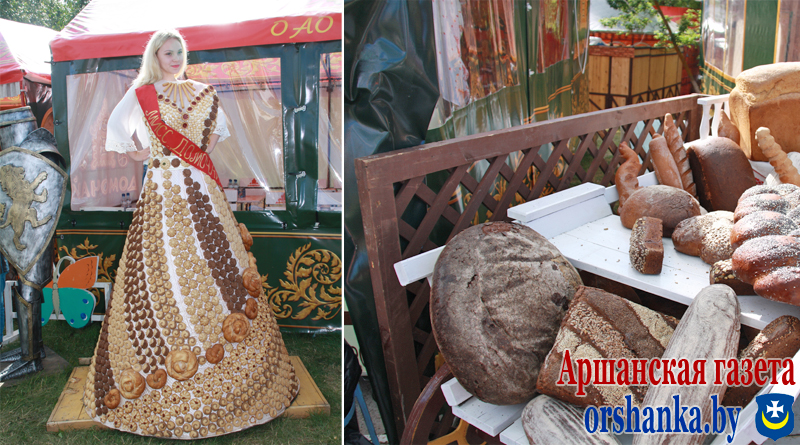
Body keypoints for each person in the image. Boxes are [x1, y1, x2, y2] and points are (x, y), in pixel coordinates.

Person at [83, 29, 299, 439]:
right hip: (163, 191)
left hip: (202, 188)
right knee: (162, 268)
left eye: (180, 51)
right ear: (155, 56)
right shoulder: (142, 94)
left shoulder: (204, 92)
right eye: (168, 52)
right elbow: (114, 127)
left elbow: (216, 132)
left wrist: (194, 154)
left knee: (216, 263)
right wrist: (142, 153)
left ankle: (242, 378)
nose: (176, 57)